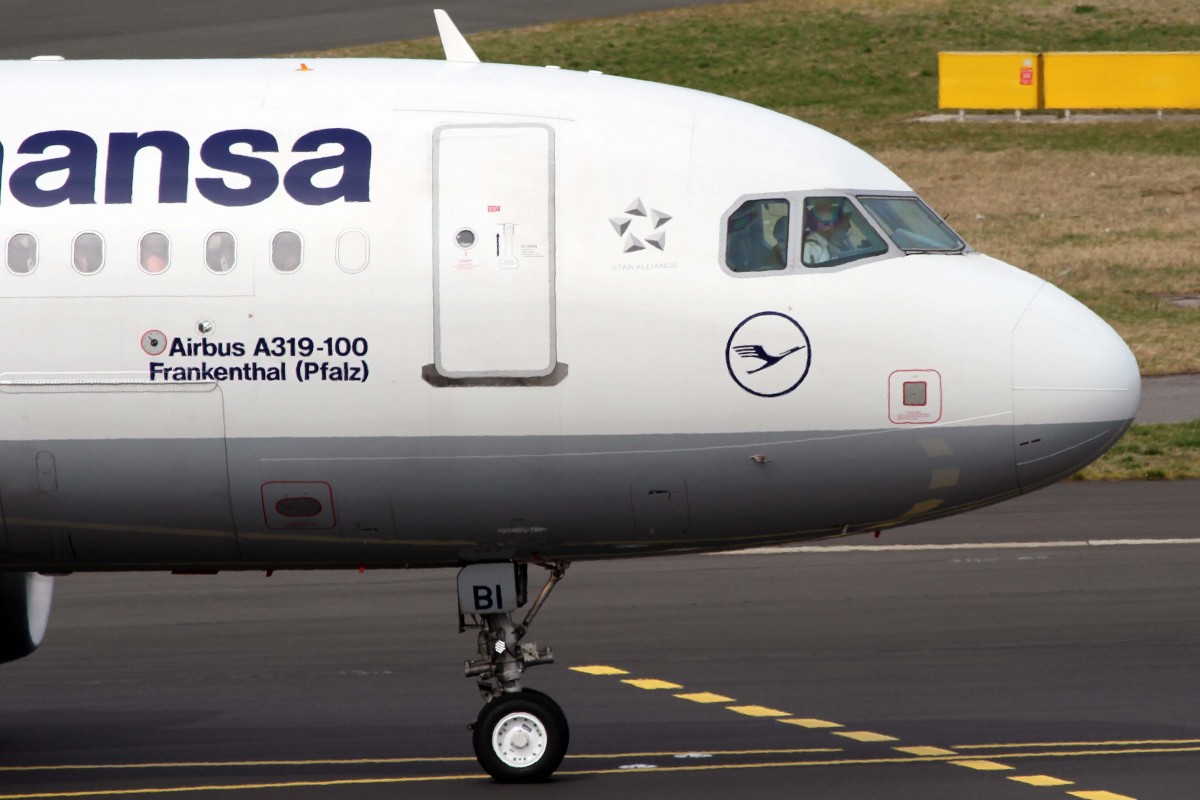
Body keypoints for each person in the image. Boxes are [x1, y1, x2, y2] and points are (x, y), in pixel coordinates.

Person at [802, 198, 853, 266]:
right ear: (815, 224)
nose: (831, 225)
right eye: (827, 222)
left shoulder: (828, 242)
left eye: (833, 221)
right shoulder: (810, 246)